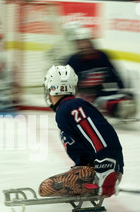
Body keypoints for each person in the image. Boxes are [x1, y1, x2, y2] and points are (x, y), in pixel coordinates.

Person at [39, 65, 124, 199]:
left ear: (51, 88)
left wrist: (106, 167)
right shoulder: (69, 107)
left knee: (46, 186)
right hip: (102, 170)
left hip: (104, 172)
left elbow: (98, 133)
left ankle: (93, 183)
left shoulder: (69, 107)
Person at [64, 27, 139, 120]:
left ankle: (121, 106)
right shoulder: (72, 61)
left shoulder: (102, 56)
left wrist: (123, 90)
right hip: (85, 96)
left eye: (85, 41)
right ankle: (118, 109)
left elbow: (115, 76)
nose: (83, 45)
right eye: (79, 43)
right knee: (99, 102)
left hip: (102, 91)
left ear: (91, 42)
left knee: (125, 97)